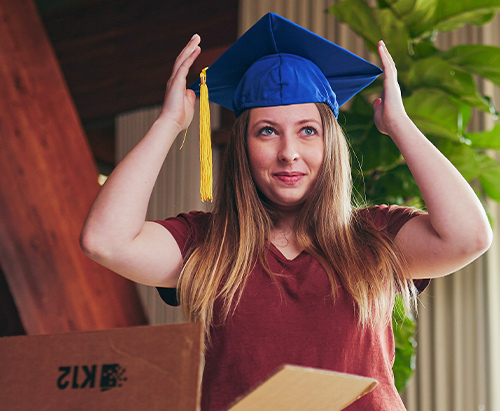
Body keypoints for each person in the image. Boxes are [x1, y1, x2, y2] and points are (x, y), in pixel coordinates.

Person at [80, 13, 492, 411]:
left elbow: (468, 237)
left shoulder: (374, 237)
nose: (288, 153)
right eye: (267, 131)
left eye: (307, 130)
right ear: (243, 147)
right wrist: (169, 122)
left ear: (329, 144)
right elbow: (105, 241)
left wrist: (399, 124)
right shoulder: (209, 244)